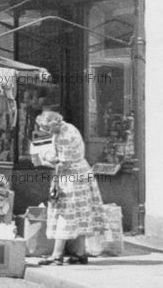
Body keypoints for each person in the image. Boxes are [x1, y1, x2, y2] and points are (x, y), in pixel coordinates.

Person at [35, 110, 104, 266]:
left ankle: (57, 255)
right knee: (80, 213)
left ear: (53, 125)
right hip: (81, 174)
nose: (45, 132)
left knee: (65, 214)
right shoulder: (67, 128)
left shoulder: (65, 135)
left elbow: (63, 163)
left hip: (71, 177)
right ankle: (80, 253)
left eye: (46, 128)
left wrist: (45, 160)